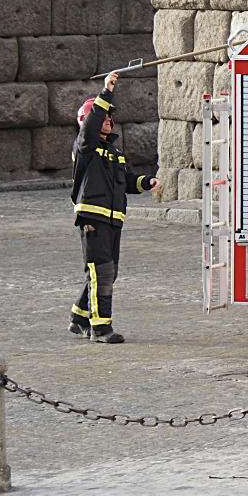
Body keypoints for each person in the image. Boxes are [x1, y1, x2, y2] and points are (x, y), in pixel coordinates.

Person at [69, 71, 161, 344]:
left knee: (108, 272)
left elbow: (127, 181)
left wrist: (147, 182)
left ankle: (79, 318)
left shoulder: (115, 153)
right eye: (104, 117)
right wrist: (106, 91)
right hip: (93, 217)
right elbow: (91, 125)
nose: (109, 120)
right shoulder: (85, 147)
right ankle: (100, 329)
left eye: (111, 117)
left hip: (113, 220)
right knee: (101, 271)